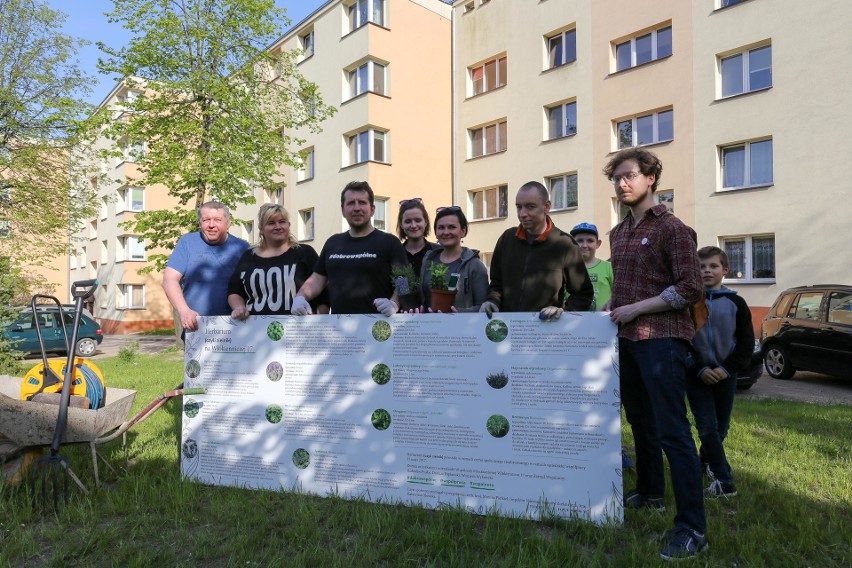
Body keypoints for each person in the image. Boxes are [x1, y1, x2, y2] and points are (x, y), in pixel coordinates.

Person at [603, 148, 707, 560]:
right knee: (640, 422)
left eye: (629, 176)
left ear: (650, 179)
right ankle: (650, 493)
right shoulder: (618, 233)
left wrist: (637, 308)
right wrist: (609, 309)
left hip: (662, 338)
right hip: (627, 341)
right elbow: (624, 291)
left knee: (672, 431)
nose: (622, 183)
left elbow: (691, 288)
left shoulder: (673, 228)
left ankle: (692, 528)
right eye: (616, 178)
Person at [686, 246, 754, 499]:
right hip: (697, 376)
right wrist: (700, 368)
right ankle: (725, 481)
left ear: (725, 270)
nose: (707, 271)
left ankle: (704, 461)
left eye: (713, 266)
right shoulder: (689, 303)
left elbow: (747, 343)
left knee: (721, 428)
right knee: (707, 427)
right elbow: (684, 340)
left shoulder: (737, 302)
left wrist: (727, 369)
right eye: (701, 266)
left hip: (726, 376)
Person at [480, 181, 593, 320]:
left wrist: (564, 311)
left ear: (546, 207)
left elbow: (583, 294)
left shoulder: (565, 244)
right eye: (519, 207)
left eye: (530, 207)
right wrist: (492, 301)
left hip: (545, 333)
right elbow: (496, 283)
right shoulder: (506, 239)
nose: (522, 214)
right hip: (507, 330)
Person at [292, 181, 408, 315]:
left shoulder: (390, 242)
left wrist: (394, 303)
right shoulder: (333, 243)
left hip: (380, 329)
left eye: (362, 202)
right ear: (343, 210)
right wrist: (300, 297)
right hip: (340, 329)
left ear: (372, 209)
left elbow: (404, 281)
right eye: (351, 203)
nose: (357, 208)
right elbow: (317, 280)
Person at [227, 204, 328, 318]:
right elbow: (234, 291)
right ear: (261, 229)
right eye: (271, 223)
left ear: (288, 225)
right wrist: (239, 307)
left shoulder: (304, 253)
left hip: (299, 330)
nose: (278, 226)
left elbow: (323, 292)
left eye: (282, 221)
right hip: (255, 329)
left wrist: (320, 321)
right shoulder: (248, 256)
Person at [163, 201, 249, 333]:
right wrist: (183, 310)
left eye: (218, 220)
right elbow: (169, 280)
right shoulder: (187, 243)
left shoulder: (242, 249)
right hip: (196, 327)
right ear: (200, 223)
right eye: (206, 220)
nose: (211, 225)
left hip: (236, 328)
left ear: (228, 223)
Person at [419, 206, 488, 312]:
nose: (446, 232)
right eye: (441, 227)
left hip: (461, 327)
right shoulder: (428, 261)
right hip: (430, 327)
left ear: (463, 231)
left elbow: (483, 307)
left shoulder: (475, 265)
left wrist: (458, 314)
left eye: (451, 227)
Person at [569, 222, 614, 312]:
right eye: (579, 241)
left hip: (602, 322)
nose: (584, 245)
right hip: (572, 322)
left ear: (598, 243)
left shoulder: (609, 267)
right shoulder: (565, 271)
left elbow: (620, 295)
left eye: (590, 241)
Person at [397, 198, 440, 278]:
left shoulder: (438, 253)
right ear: (401, 224)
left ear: (426, 222)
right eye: (408, 221)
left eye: (418, 220)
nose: (413, 225)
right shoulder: (396, 254)